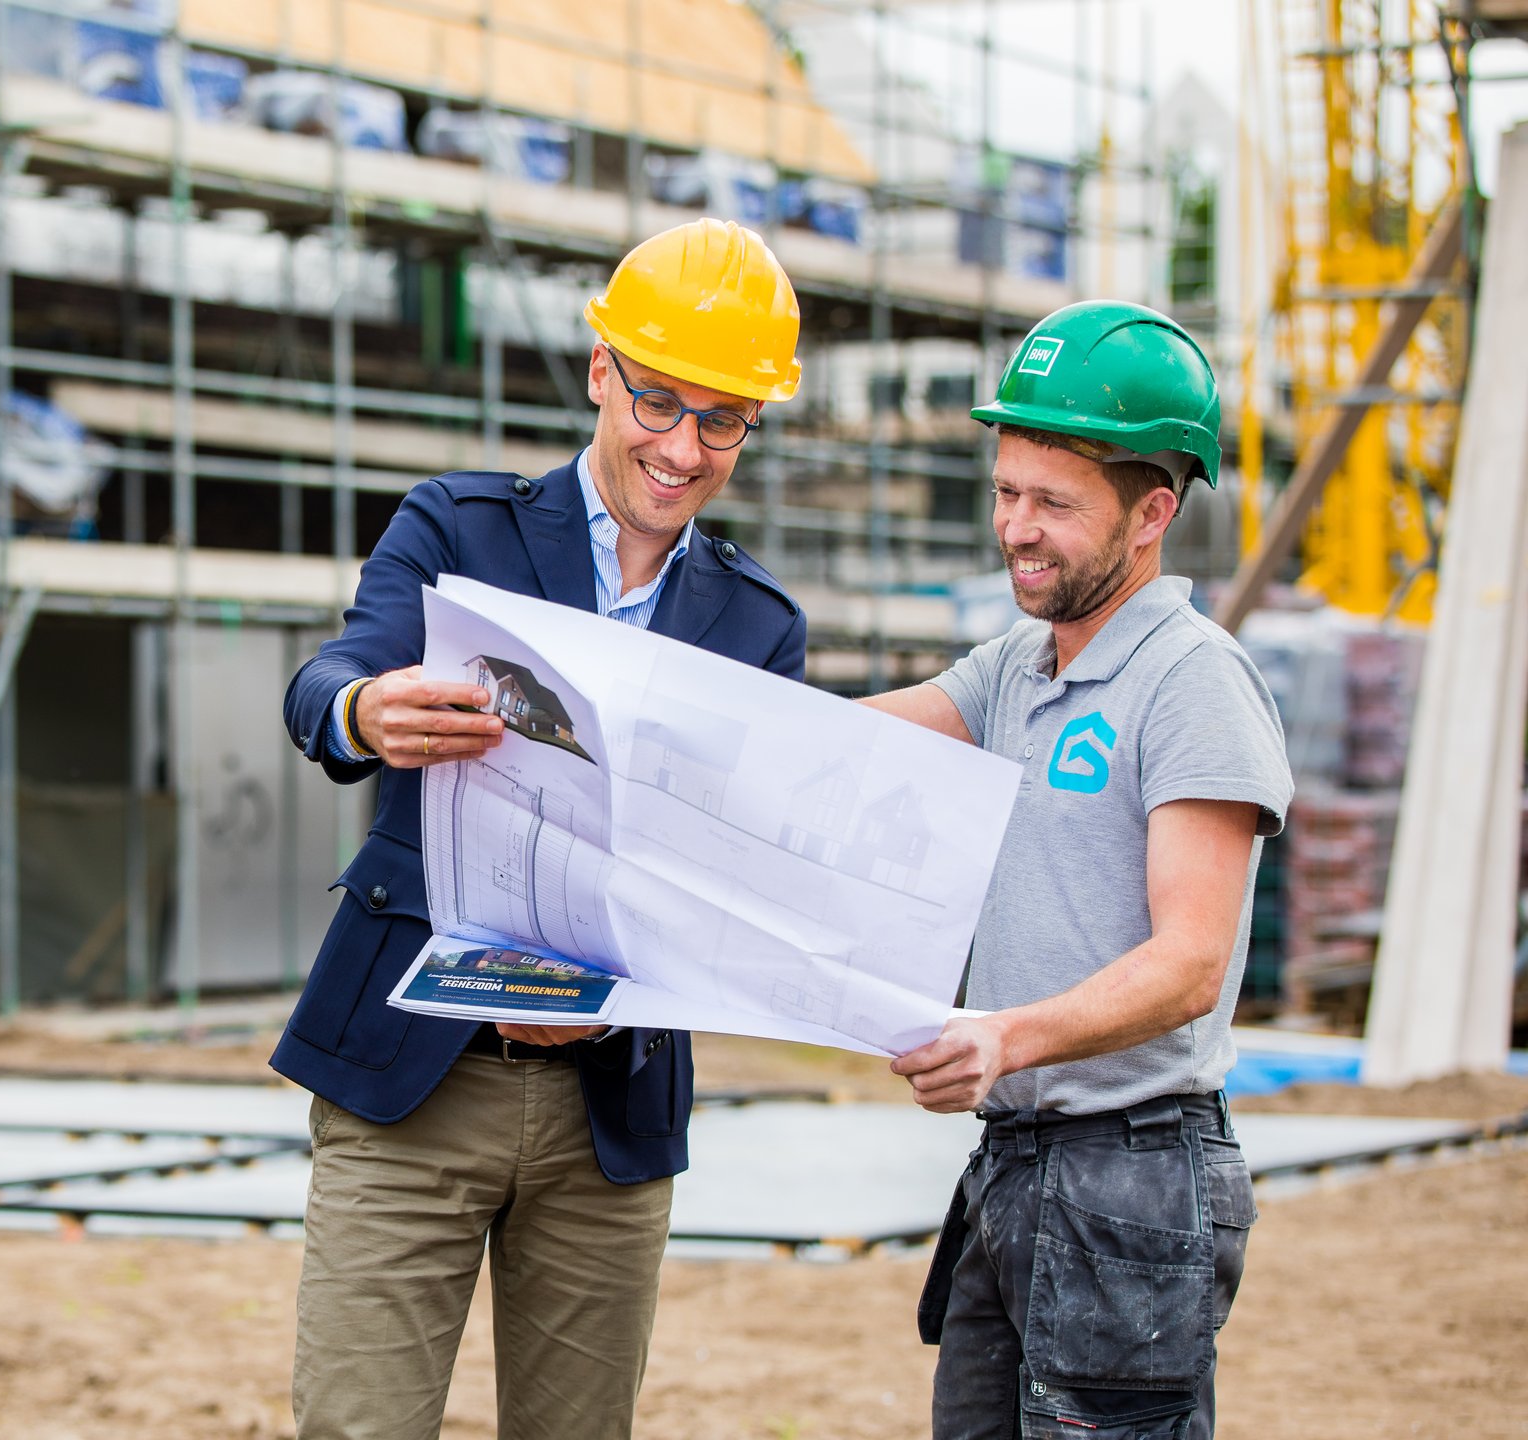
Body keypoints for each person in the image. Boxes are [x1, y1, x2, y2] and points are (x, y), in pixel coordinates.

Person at [275, 218, 809, 1440]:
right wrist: (365, 710)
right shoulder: (459, 531)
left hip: (607, 1114)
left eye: (722, 420)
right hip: (411, 1080)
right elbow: (328, 683)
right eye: (660, 401)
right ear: (599, 370)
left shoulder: (757, 627)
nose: (682, 448)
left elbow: (723, 872)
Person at [862, 301, 1293, 1439]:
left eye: (1053, 503)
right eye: (1006, 492)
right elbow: (847, 743)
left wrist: (1003, 1036)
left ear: (1154, 511)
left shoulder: (1191, 680)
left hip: (1134, 1175)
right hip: (1015, 1168)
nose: (1016, 528)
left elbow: (1190, 964)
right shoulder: (1017, 667)